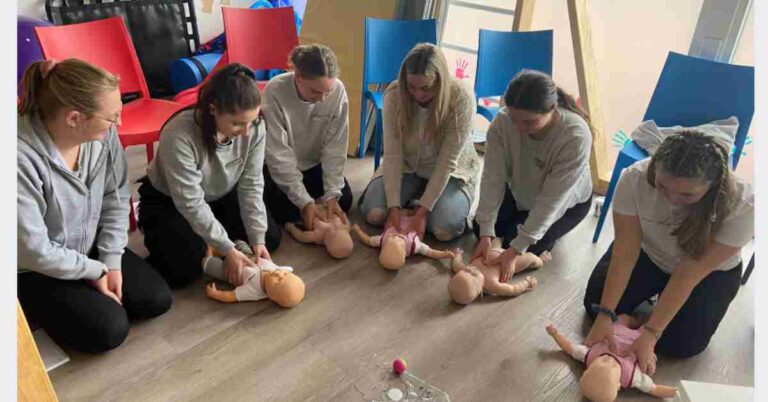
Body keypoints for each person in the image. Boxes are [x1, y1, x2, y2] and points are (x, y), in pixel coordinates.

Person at [18, 59, 171, 353]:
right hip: (34, 267)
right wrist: (96, 272)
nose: (119, 124)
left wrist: (111, 259)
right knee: (108, 331)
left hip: (86, 246)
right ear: (74, 118)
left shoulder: (102, 132)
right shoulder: (19, 157)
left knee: (155, 300)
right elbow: (34, 250)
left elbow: (115, 197)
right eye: (112, 118)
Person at [583, 131, 753, 372]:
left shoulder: (745, 205)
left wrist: (651, 333)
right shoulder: (634, 178)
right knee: (595, 303)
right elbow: (625, 252)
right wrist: (605, 314)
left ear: (713, 185)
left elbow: (689, 273)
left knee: (683, 345)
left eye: (686, 194)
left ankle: (645, 319)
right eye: (662, 186)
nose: (671, 200)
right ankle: (639, 317)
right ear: (654, 167)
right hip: (650, 254)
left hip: (710, 274)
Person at [138, 63, 280, 288]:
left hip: (220, 194)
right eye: (237, 123)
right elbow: (190, 202)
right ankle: (213, 256)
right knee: (182, 269)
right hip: (170, 201)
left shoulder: (254, 126)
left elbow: (251, 183)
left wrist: (257, 239)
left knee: (268, 239)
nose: (245, 132)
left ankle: (218, 247)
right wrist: (227, 248)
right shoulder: (179, 134)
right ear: (213, 109)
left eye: (250, 122)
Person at [472, 69, 593, 283]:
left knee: (517, 241)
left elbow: (551, 201)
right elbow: (492, 178)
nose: (519, 128)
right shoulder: (501, 123)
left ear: (552, 109)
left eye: (528, 122)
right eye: (513, 118)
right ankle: (518, 235)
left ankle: (539, 251)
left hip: (566, 206)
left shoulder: (575, 135)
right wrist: (485, 234)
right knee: (481, 227)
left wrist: (515, 250)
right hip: (519, 190)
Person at [359, 43, 480, 242]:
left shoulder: (461, 98)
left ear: (440, 81)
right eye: (411, 86)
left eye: (426, 88)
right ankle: (412, 201)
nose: (418, 95)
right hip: (408, 166)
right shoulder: (395, 94)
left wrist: (422, 214)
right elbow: (392, 155)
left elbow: (447, 162)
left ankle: (421, 204)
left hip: (451, 172)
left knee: (443, 230)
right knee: (375, 214)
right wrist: (393, 208)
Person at [262, 44, 352, 231]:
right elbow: (279, 156)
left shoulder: (339, 91)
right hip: (279, 169)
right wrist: (304, 202)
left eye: (327, 92)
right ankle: (308, 207)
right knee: (280, 210)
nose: (322, 99)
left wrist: (332, 194)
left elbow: (335, 147)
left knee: (345, 200)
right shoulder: (275, 91)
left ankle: (313, 206)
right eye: (315, 92)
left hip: (312, 166)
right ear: (298, 77)